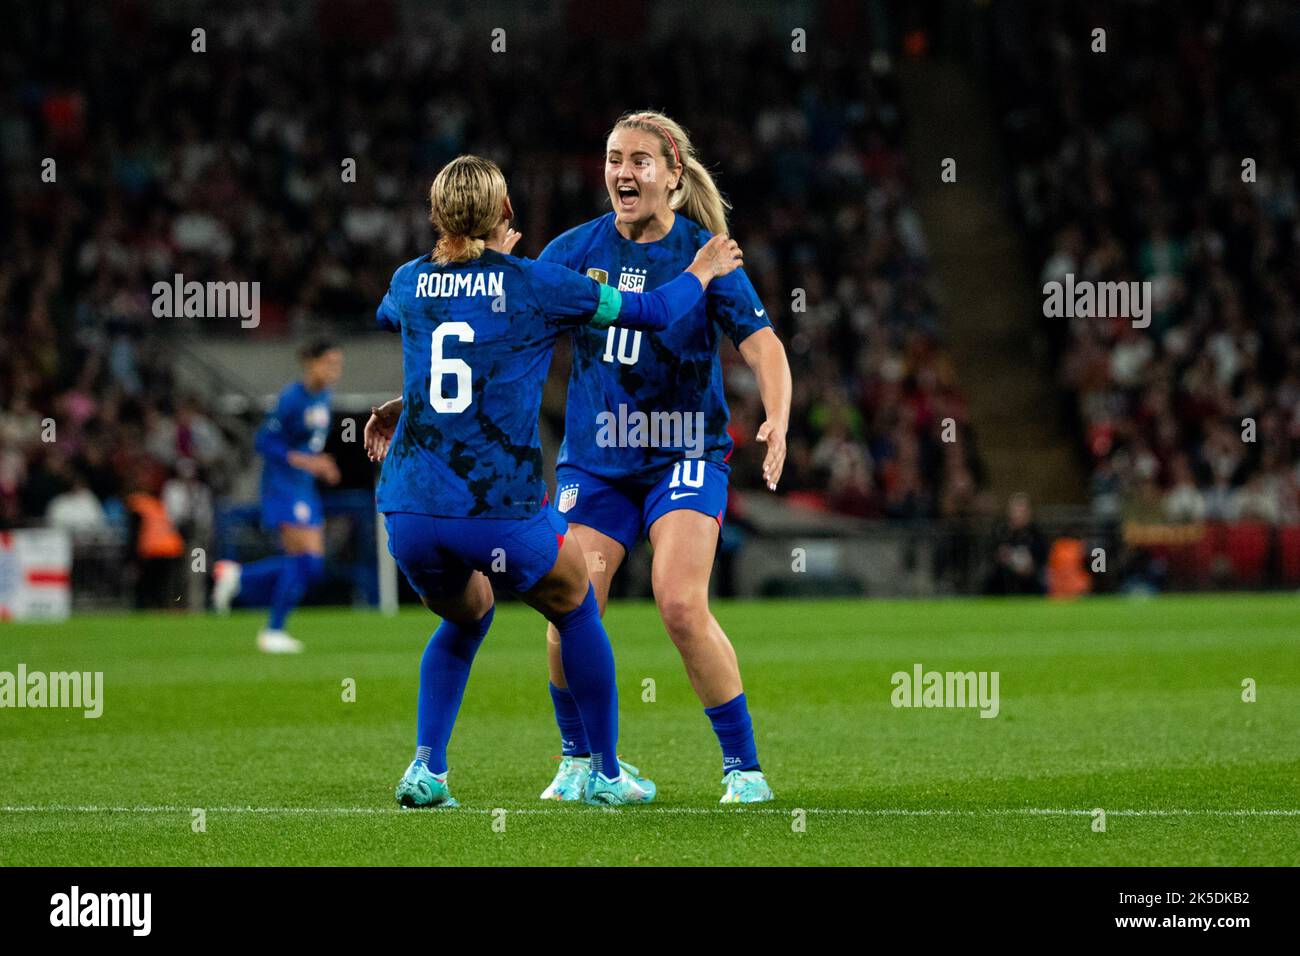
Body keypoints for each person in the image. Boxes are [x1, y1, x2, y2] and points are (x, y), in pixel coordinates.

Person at [364, 155, 744, 807]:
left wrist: (409, 400)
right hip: (495, 507)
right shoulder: (539, 283)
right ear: (506, 212)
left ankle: (427, 769)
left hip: (408, 507)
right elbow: (651, 311)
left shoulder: (406, 281)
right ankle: (604, 771)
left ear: (435, 216)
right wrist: (702, 269)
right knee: (575, 605)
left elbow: (426, 331)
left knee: (466, 615)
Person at [535, 111, 792, 804]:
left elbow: (763, 345)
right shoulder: (570, 249)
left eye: (641, 161)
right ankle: (577, 760)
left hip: (685, 453)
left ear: (673, 176)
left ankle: (744, 770)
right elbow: (506, 326)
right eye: (615, 158)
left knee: (679, 604)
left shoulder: (705, 252)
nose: (624, 172)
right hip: (595, 462)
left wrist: (779, 415)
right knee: (572, 604)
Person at [211, 340, 343, 653]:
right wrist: (307, 461)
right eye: (329, 363)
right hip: (282, 485)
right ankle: (273, 631)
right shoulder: (291, 399)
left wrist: (321, 464)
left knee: (312, 566)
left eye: (338, 365)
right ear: (310, 363)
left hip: (304, 486)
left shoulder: (323, 397)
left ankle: (239, 575)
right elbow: (265, 442)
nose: (334, 371)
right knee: (303, 560)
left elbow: (306, 443)